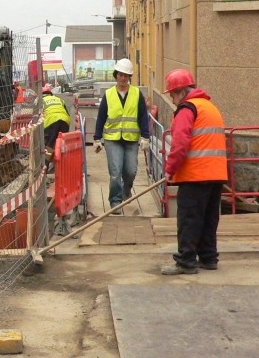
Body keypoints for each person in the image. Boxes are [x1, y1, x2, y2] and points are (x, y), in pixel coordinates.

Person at [160, 69, 227, 275]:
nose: (172, 98)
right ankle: (208, 258)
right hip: (216, 174)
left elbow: (180, 144)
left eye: (172, 94)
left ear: (181, 91)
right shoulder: (210, 107)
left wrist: (170, 169)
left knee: (189, 219)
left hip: (195, 174)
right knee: (208, 218)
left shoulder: (187, 109)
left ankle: (186, 261)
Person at [93, 59, 150, 208]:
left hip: (131, 139)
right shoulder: (109, 94)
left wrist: (146, 136)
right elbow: (101, 117)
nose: (123, 78)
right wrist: (97, 139)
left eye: (126, 75)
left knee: (130, 171)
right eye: (120, 75)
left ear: (129, 77)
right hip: (113, 139)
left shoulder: (137, 94)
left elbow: (143, 116)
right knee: (115, 171)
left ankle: (126, 191)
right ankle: (115, 201)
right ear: (116, 75)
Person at [42, 83, 71, 150]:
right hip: (65, 120)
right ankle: (62, 158)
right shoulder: (59, 99)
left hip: (50, 121)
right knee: (62, 144)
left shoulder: (41, 101)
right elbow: (67, 113)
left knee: (49, 145)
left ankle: (47, 160)